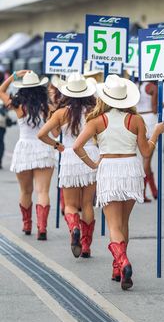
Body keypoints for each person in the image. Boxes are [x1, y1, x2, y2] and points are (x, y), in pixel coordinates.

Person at [73, 74, 164, 290]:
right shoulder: (137, 120)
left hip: (109, 167)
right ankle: (118, 267)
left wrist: (92, 164)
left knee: (113, 224)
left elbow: (77, 146)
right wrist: (156, 135)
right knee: (124, 223)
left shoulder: (96, 121)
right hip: (131, 168)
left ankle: (122, 262)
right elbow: (145, 151)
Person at [38, 73, 98, 258]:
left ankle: (74, 229)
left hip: (70, 155)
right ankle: (86, 246)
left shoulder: (61, 113)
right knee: (87, 204)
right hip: (91, 155)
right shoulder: (94, 111)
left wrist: (57, 145)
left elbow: (41, 134)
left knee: (71, 205)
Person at [0, 70, 56, 239]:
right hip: (43, 147)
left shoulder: (18, 105)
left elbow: (1, 91)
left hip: (24, 148)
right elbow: (55, 129)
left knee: (25, 191)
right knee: (43, 191)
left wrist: (14, 76)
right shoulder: (48, 107)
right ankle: (42, 227)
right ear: (40, 88)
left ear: (22, 89)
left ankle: (27, 224)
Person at [136, 80, 158, 202]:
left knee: (144, 159)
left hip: (139, 118)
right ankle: (143, 192)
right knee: (147, 158)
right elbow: (155, 109)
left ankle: (154, 190)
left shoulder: (136, 86)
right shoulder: (152, 87)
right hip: (150, 121)